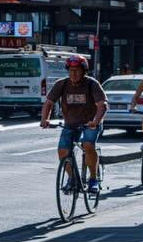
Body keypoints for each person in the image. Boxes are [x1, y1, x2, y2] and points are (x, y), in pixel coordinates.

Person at [41, 54, 107, 196]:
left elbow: (102, 105)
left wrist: (95, 121)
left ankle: (93, 179)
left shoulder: (92, 84)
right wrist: (45, 119)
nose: (73, 74)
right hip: (70, 124)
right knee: (63, 151)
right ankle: (72, 179)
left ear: (83, 71)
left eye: (77, 70)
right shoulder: (62, 84)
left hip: (90, 124)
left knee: (88, 144)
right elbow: (49, 103)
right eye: (71, 70)